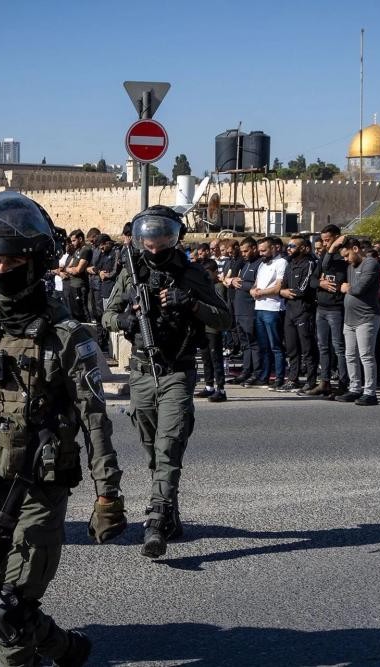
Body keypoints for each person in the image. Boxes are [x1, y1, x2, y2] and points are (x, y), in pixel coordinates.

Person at [0, 192, 126, 666]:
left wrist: (107, 495)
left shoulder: (66, 336)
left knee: (10, 608)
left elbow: (94, 420)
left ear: (36, 263)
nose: (2, 270)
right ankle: (63, 648)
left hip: (37, 488)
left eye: (13, 261)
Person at [104, 205, 231, 558]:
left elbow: (224, 319)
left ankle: (157, 518)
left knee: (169, 444)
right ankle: (170, 511)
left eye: (162, 237)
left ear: (174, 237)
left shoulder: (191, 274)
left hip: (177, 370)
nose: (154, 245)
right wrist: (126, 320)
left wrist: (190, 304)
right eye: (149, 238)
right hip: (141, 372)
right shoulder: (131, 272)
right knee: (152, 449)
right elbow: (107, 315)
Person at [336, 239, 380, 406]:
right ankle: (355, 388)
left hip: (366, 317)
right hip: (350, 319)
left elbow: (359, 288)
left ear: (355, 249)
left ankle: (370, 392)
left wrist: (347, 288)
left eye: (347, 255)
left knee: (366, 356)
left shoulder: (370, 263)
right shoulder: (350, 266)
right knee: (350, 355)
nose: (346, 259)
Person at [307, 225, 349, 397]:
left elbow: (340, 278)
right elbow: (312, 280)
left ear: (337, 237)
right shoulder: (324, 255)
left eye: (328, 240)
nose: (325, 244)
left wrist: (332, 250)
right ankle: (324, 382)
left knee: (339, 348)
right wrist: (321, 283)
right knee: (323, 347)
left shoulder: (343, 256)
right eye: (323, 241)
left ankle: (344, 383)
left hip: (336, 308)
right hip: (322, 308)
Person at [279, 236, 318, 393]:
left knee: (307, 348)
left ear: (302, 248)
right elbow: (282, 286)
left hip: (304, 311)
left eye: (292, 246)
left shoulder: (309, 264)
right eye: (288, 246)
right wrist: (282, 292)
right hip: (290, 310)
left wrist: (285, 292)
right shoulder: (290, 264)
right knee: (291, 348)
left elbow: (303, 289)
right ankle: (293, 379)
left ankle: (311, 381)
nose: (288, 249)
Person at [250, 237, 287, 389]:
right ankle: (264, 376)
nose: (261, 253)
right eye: (259, 251)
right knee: (263, 346)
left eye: (264, 250)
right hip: (259, 308)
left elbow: (278, 287)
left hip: (273, 309)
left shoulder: (281, 262)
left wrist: (261, 293)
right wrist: (253, 291)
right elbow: (256, 284)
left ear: (273, 248)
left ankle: (279, 377)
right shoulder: (261, 264)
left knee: (276, 346)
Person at [224, 237, 261, 385]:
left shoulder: (259, 264)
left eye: (246, 251)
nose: (243, 254)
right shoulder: (245, 264)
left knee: (253, 343)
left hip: (249, 310)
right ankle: (246, 371)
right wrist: (232, 281)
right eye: (242, 251)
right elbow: (234, 280)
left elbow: (256, 286)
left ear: (254, 248)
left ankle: (256, 373)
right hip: (239, 309)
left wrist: (237, 283)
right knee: (245, 344)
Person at [194, 258, 228, 402]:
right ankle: (209, 386)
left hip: (214, 328)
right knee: (206, 358)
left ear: (215, 272)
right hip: (204, 327)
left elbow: (221, 308)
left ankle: (221, 389)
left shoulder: (218, 287)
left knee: (216, 358)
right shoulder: (203, 287)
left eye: (208, 273)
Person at [60, 229, 92, 321]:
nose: (72, 243)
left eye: (74, 240)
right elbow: (69, 266)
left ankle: (88, 328)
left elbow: (78, 270)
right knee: (75, 312)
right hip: (72, 285)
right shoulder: (77, 250)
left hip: (80, 286)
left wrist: (67, 269)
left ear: (80, 239)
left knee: (83, 311)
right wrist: (68, 269)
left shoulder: (86, 250)